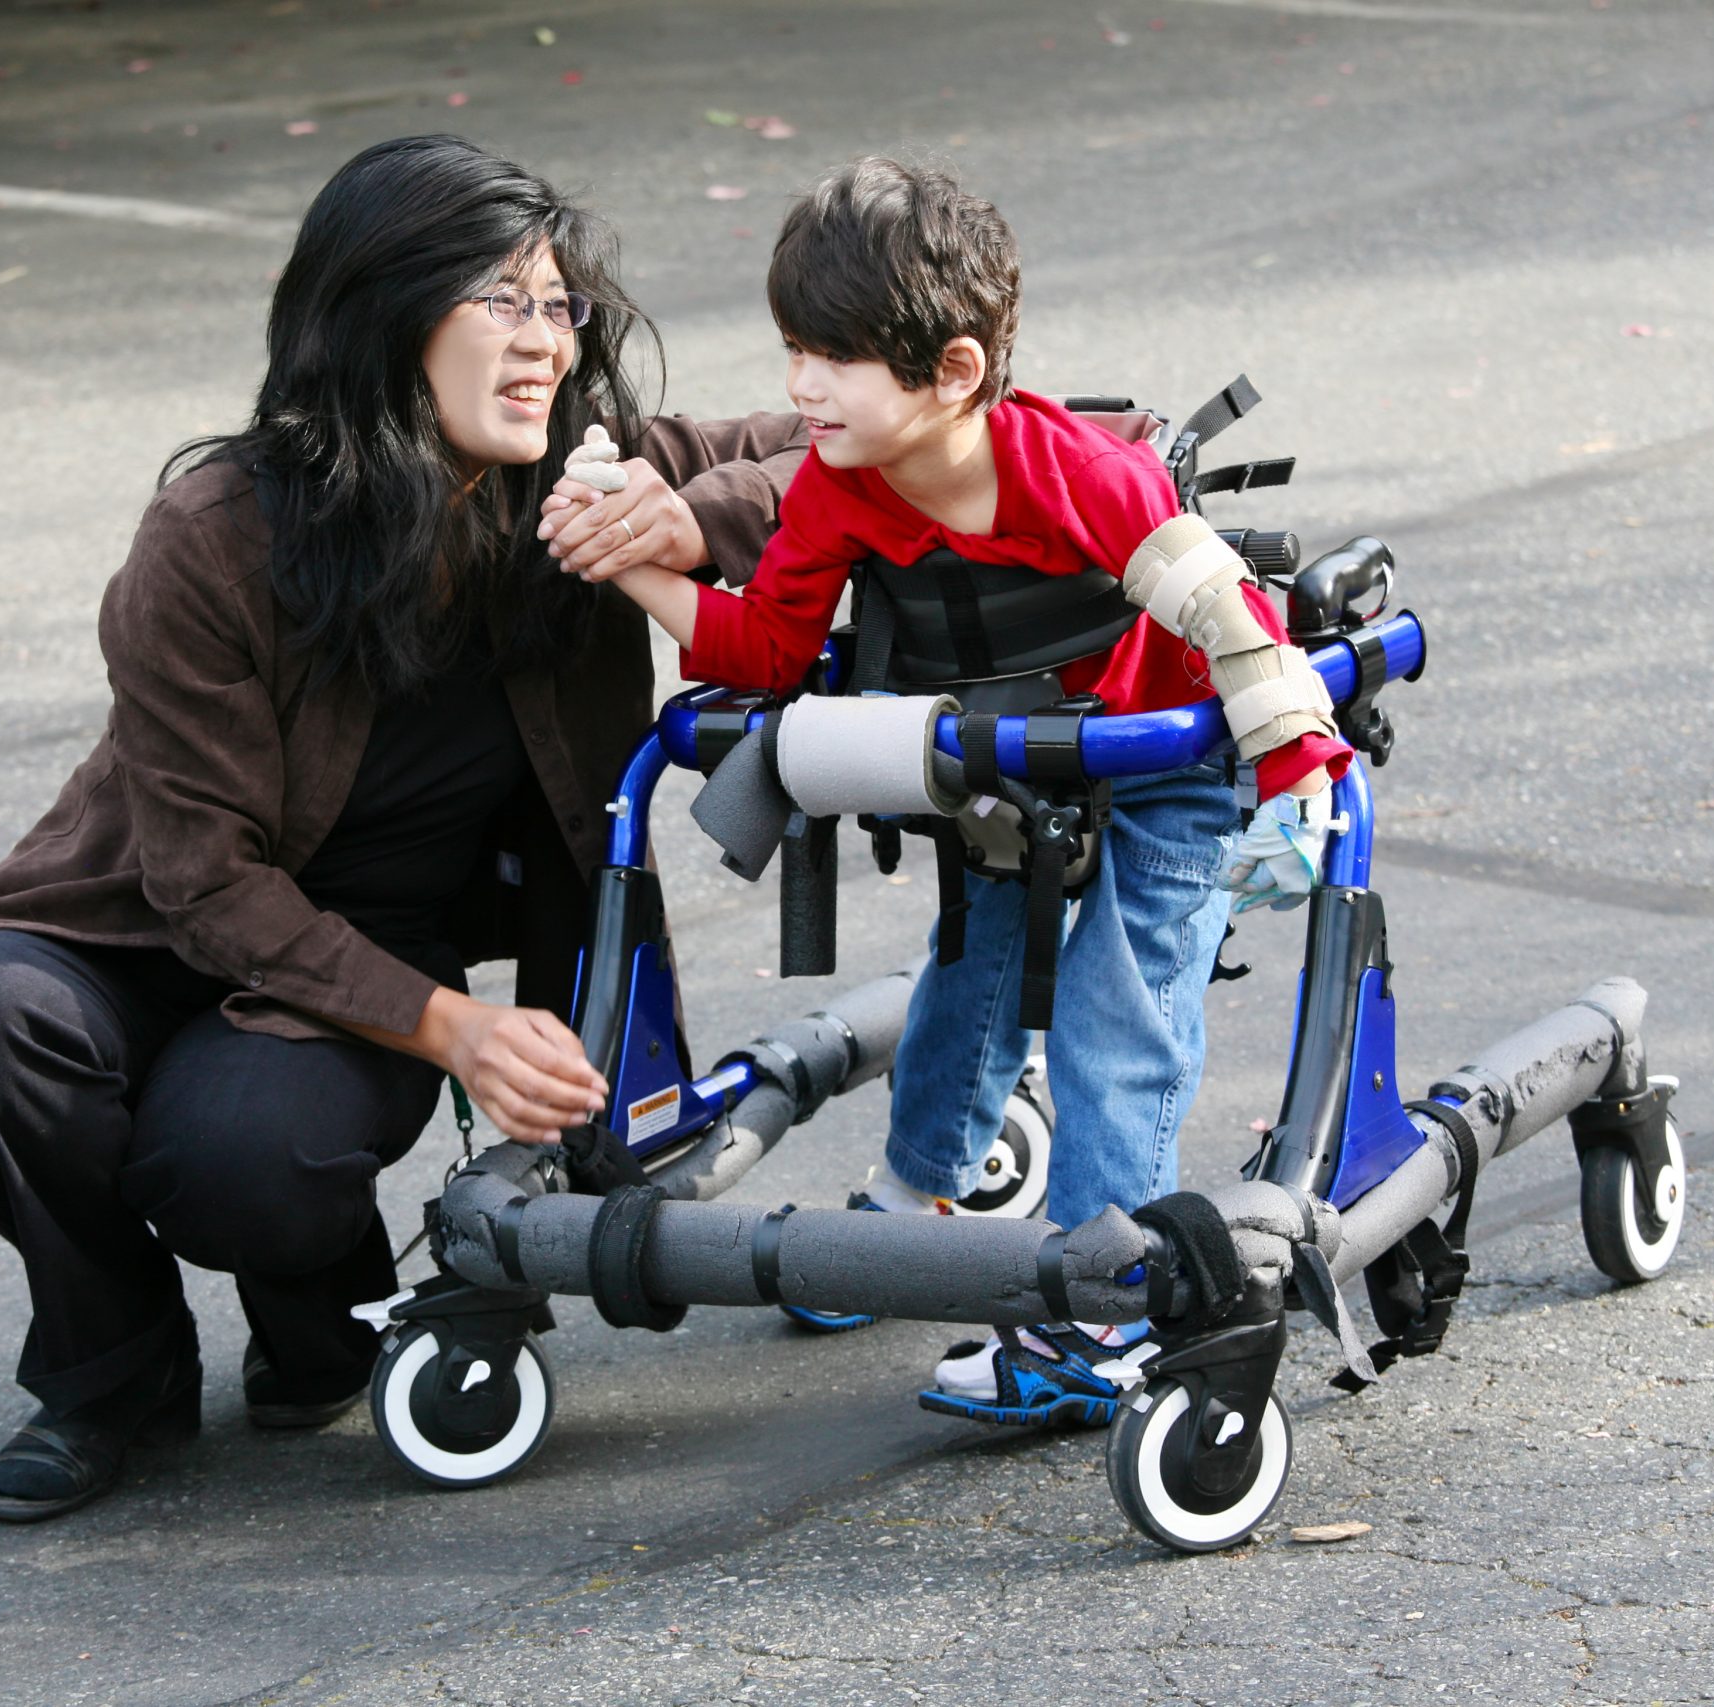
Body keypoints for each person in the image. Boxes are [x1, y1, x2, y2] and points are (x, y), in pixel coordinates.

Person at [0, 135, 804, 1522]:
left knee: (237, 1161)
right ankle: (108, 1367)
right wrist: (458, 1032)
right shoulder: (216, 534)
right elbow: (201, 880)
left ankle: (318, 1321)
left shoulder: (578, 485)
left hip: (360, 952)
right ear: (381, 313)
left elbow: (859, 441)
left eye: (558, 304)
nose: (544, 341)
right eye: (502, 301)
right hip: (140, 923)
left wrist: (692, 508)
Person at [542, 157, 1351, 1427]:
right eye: (793, 350)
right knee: (965, 966)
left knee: (1109, 1009)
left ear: (955, 372)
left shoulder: (1076, 474)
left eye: (834, 358)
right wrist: (630, 563)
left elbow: (1228, 616)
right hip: (1003, 757)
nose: (801, 386)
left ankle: (1102, 1312)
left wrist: (1299, 778)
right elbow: (761, 648)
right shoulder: (840, 485)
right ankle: (910, 1210)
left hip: (1165, 763)